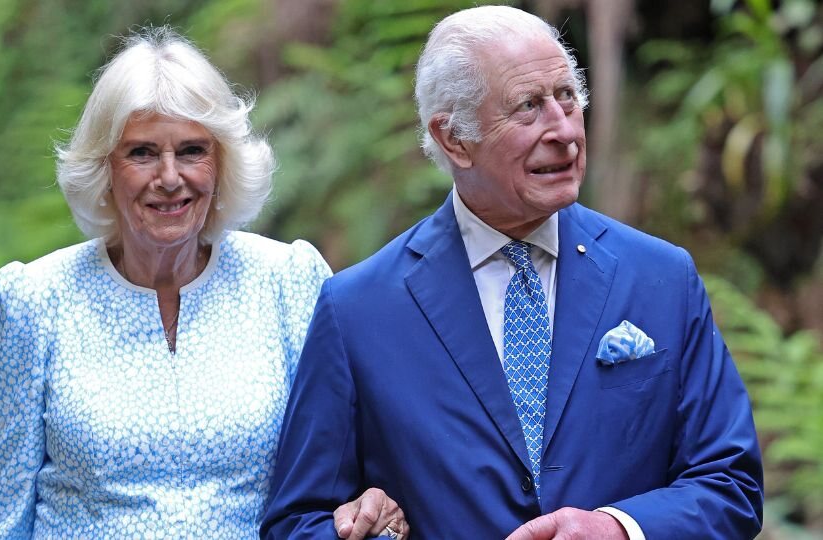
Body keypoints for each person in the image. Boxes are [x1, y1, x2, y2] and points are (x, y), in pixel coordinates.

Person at [261, 6, 763, 539]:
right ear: (454, 138)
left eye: (567, 97)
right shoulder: (359, 309)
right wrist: (367, 530)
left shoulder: (662, 277)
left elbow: (730, 483)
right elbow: (297, 522)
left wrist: (621, 530)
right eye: (529, 107)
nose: (565, 131)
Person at [0, 27, 407, 539]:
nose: (170, 177)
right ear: (104, 167)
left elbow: (351, 468)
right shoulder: (31, 303)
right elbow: (0, 519)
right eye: (142, 153)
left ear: (222, 164)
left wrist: (375, 504)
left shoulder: (288, 282)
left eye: (192, 150)